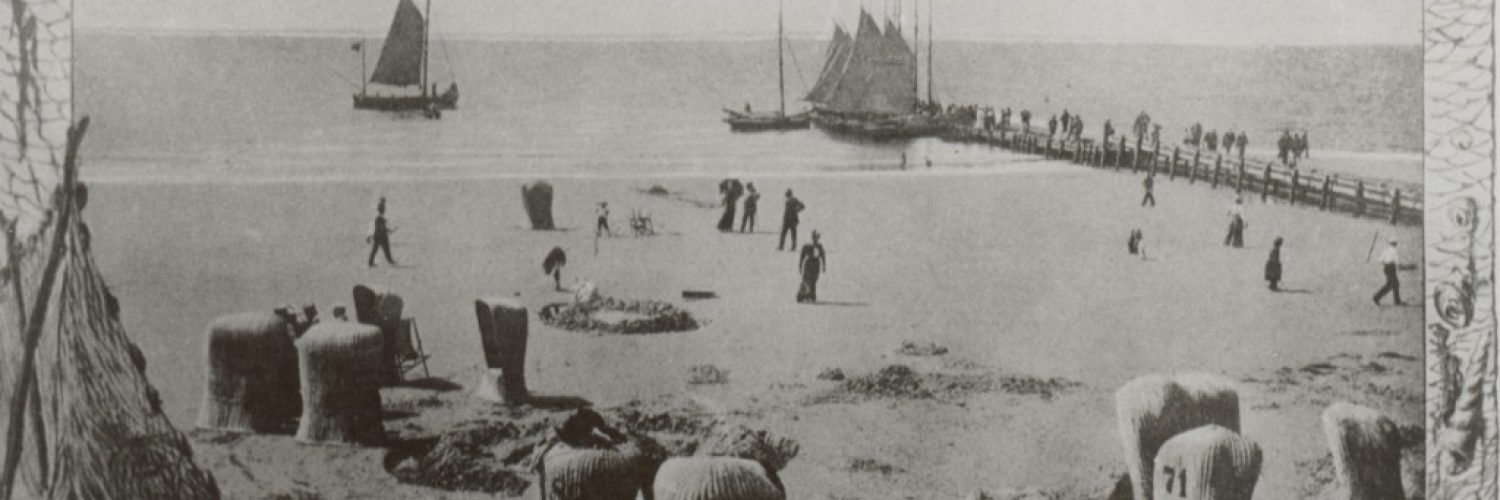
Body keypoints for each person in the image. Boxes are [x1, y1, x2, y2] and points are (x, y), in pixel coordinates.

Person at [797, 231, 827, 303]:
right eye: (814, 238)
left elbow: (823, 256)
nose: (815, 239)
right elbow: (802, 256)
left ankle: (812, 296)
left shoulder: (819, 246)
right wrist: (800, 266)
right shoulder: (807, 246)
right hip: (808, 264)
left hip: (816, 264)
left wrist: (824, 266)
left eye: (817, 238)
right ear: (812, 238)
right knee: (806, 280)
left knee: (813, 281)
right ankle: (803, 295)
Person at [1373, 239, 1405, 305]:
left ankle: (1397, 300)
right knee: (1390, 285)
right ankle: (1376, 297)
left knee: (1395, 284)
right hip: (1391, 269)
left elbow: (1380, 260)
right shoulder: (1395, 251)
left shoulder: (1386, 250)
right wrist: (1401, 267)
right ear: (1395, 244)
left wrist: (1386, 263)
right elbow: (1397, 262)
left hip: (1386, 268)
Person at [367, 202, 396, 267]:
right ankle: (371, 262)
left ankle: (389, 260)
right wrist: (387, 230)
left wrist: (387, 229)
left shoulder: (380, 217)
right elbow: (380, 227)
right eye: (383, 209)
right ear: (381, 209)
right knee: (379, 249)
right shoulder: (379, 218)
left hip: (380, 236)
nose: (384, 210)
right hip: (380, 236)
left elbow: (380, 227)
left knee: (383, 248)